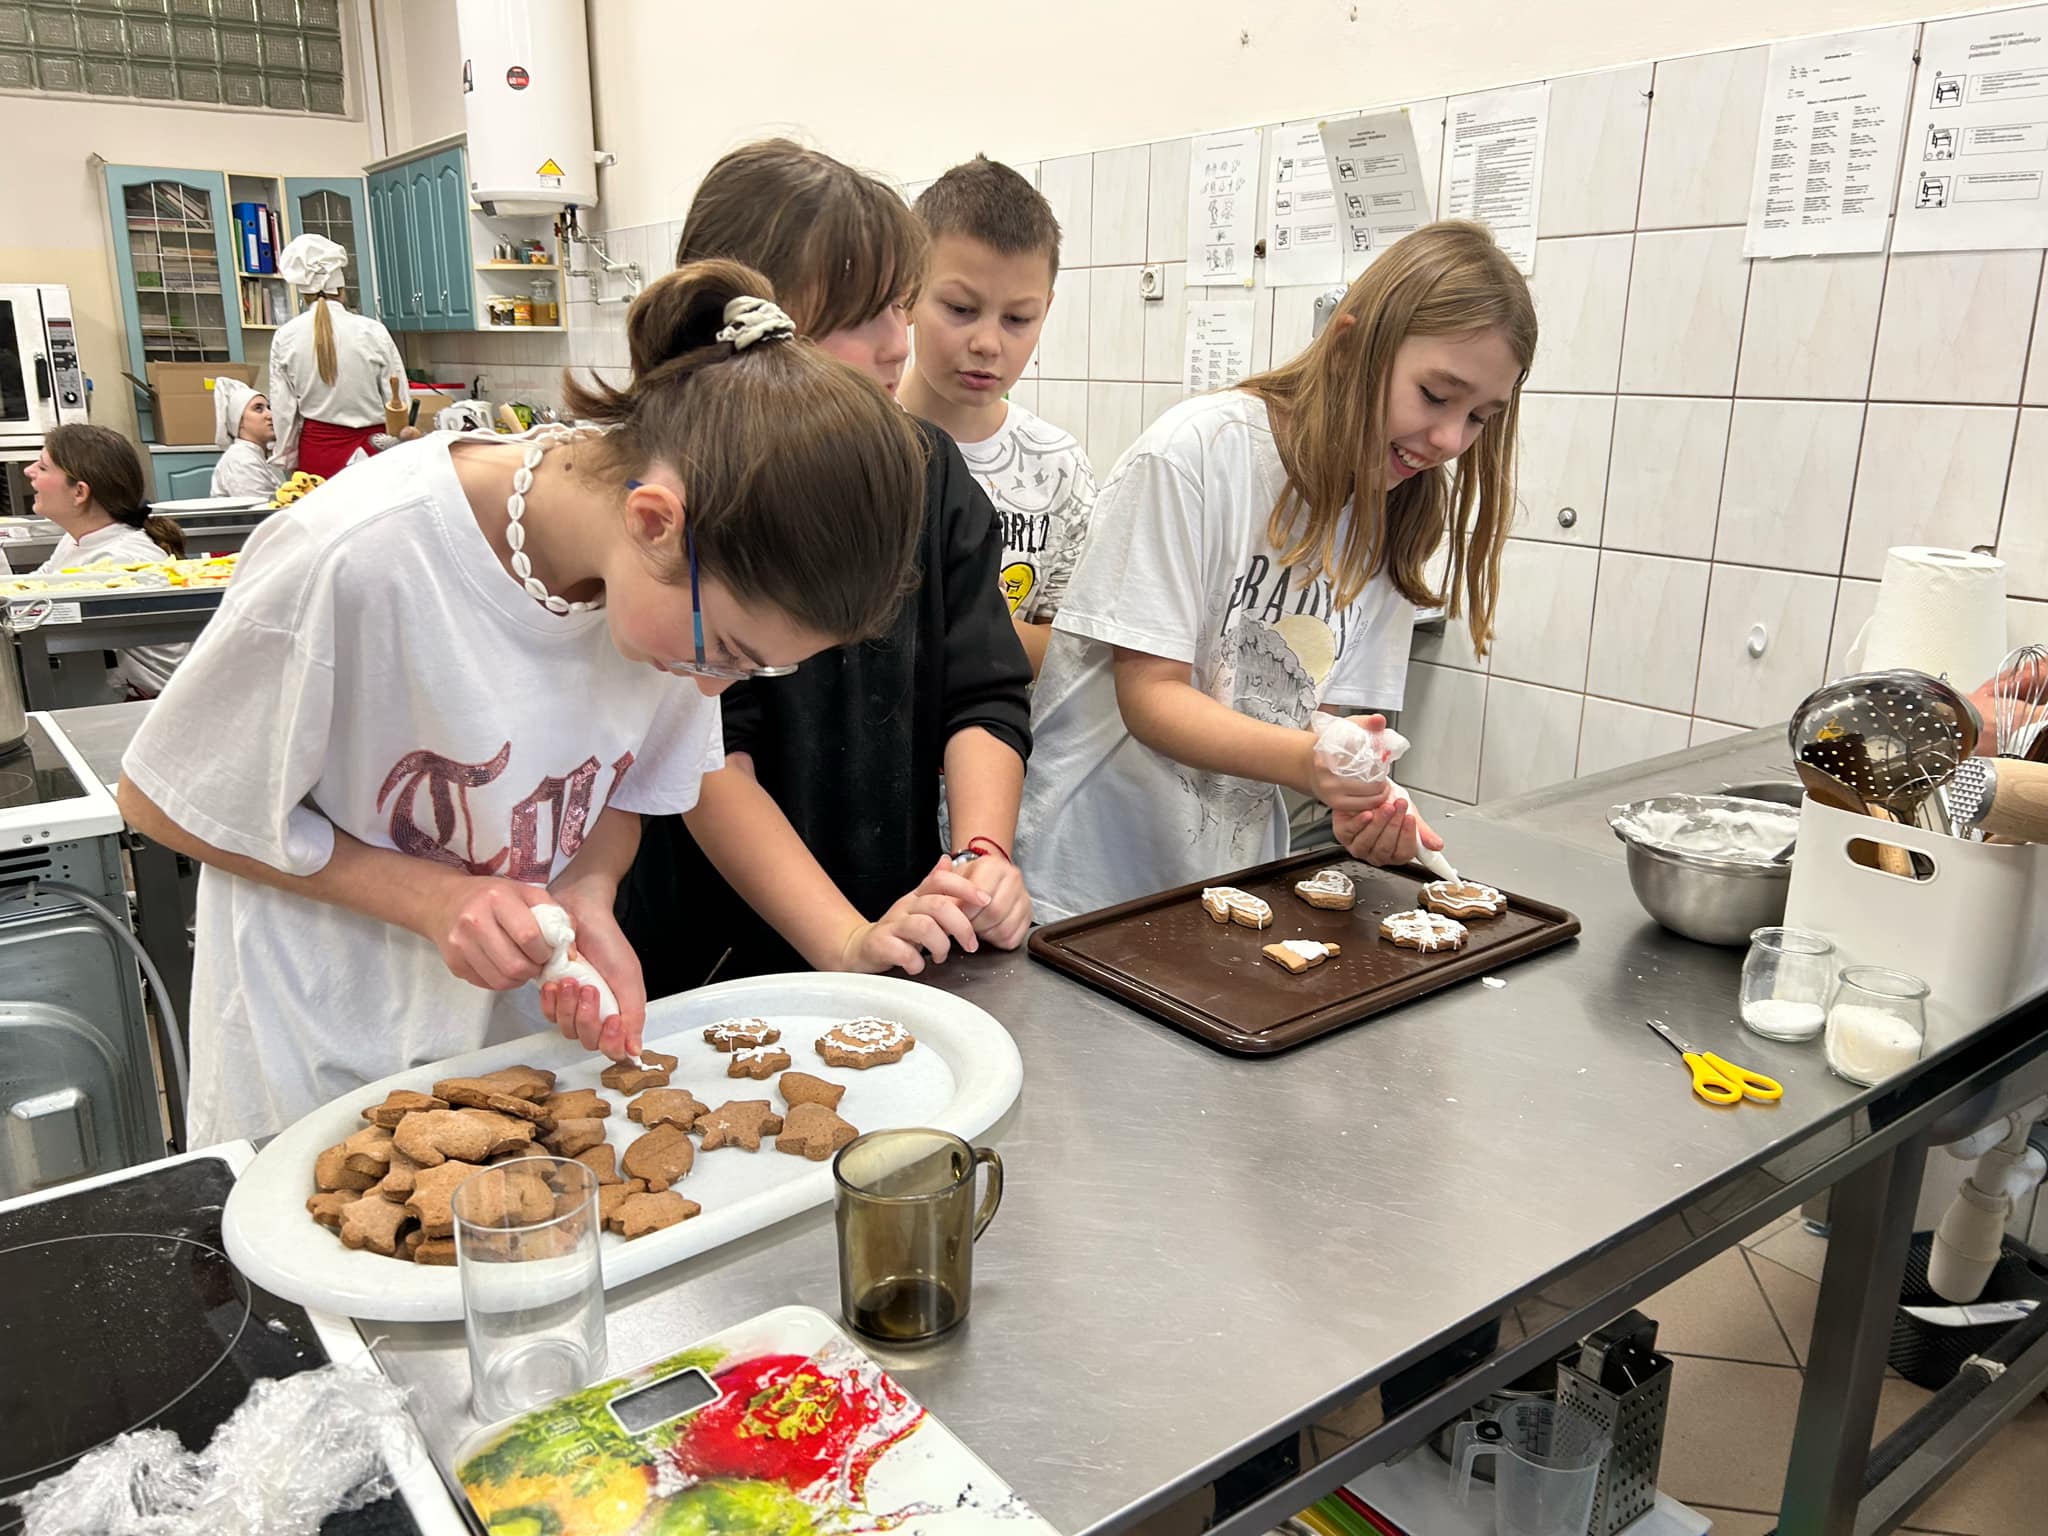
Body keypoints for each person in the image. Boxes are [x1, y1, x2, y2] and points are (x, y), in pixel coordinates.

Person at [115, 260, 930, 1147]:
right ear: (655, 521)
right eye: (724, 651)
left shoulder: (673, 599)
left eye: (753, 671)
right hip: (320, 1063)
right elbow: (162, 800)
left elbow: (630, 790)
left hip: (509, 1072)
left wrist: (588, 887)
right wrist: (432, 901)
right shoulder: (356, 556)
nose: (711, 688)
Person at [1015, 221, 1535, 921]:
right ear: (1350, 347)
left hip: (1226, 886)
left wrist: (1354, 799)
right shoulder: (1199, 454)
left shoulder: (1393, 513)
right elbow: (1152, 698)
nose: (1449, 440)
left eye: (1479, 417)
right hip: (1086, 885)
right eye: (1436, 396)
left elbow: (1320, 721)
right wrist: (1312, 766)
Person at [619, 140, 1034, 997]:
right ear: (748, 331)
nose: (897, 346)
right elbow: (703, 757)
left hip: (893, 926)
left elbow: (983, 690)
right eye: (861, 318)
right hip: (708, 960)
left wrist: (978, 859)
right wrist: (841, 938)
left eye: (901, 308)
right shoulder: (675, 503)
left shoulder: (927, 470)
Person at [900, 156, 1096, 678]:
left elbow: (1071, 649)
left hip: (1013, 748)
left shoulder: (1059, 468)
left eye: (1017, 319)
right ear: (908, 291)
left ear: (1046, 310)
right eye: (961, 309)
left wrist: (945, 624)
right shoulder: (856, 441)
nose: (987, 343)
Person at [18, 423, 189, 697]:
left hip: (144, 704)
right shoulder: (78, 540)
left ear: (79, 493)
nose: (29, 471)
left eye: (43, 466)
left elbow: (32, 614)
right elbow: (32, 588)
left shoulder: (120, 558)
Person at [268, 233, 406, 479]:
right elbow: (397, 399)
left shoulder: (286, 336)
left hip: (318, 457)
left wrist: (286, 456)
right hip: (375, 452)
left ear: (303, 292)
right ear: (342, 289)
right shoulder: (372, 331)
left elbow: (284, 410)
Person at [208, 377, 286, 500]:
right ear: (239, 421)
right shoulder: (241, 459)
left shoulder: (260, 455)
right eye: (258, 409)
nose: (270, 415)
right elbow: (259, 510)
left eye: (269, 408)